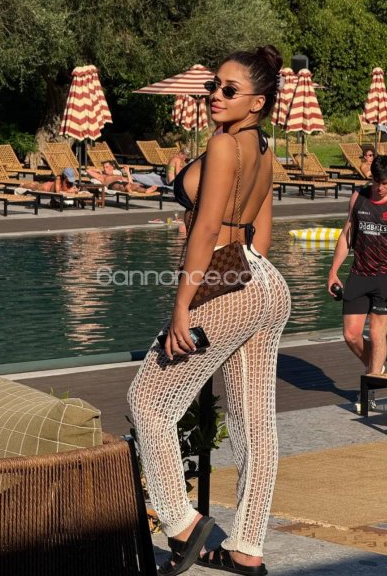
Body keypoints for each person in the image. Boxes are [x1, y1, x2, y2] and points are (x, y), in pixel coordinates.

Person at [128, 46, 291, 576]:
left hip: (225, 281)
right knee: (254, 423)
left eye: (229, 89)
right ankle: (246, 548)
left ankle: (181, 523)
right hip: (262, 279)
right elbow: (261, 232)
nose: (215, 95)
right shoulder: (262, 147)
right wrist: (247, 282)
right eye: (213, 86)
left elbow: (204, 230)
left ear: (257, 101)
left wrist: (183, 305)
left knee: (149, 402)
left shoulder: (223, 145)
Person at [328, 154, 387, 378]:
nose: (380, 188)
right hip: (359, 273)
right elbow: (347, 235)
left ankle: (371, 383)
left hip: (384, 277)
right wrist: (333, 271)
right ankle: (377, 369)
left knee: (377, 333)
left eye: (385, 184)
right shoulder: (358, 197)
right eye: (377, 182)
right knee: (351, 335)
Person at [86, 160, 157, 193]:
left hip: (123, 182)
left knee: (134, 185)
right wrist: (96, 169)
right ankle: (129, 189)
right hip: (113, 184)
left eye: (107, 167)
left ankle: (146, 190)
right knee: (120, 186)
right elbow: (88, 170)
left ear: (112, 167)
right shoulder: (102, 176)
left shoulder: (118, 174)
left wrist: (128, 172)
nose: (105, 169)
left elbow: (130, 182)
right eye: (104, 167)